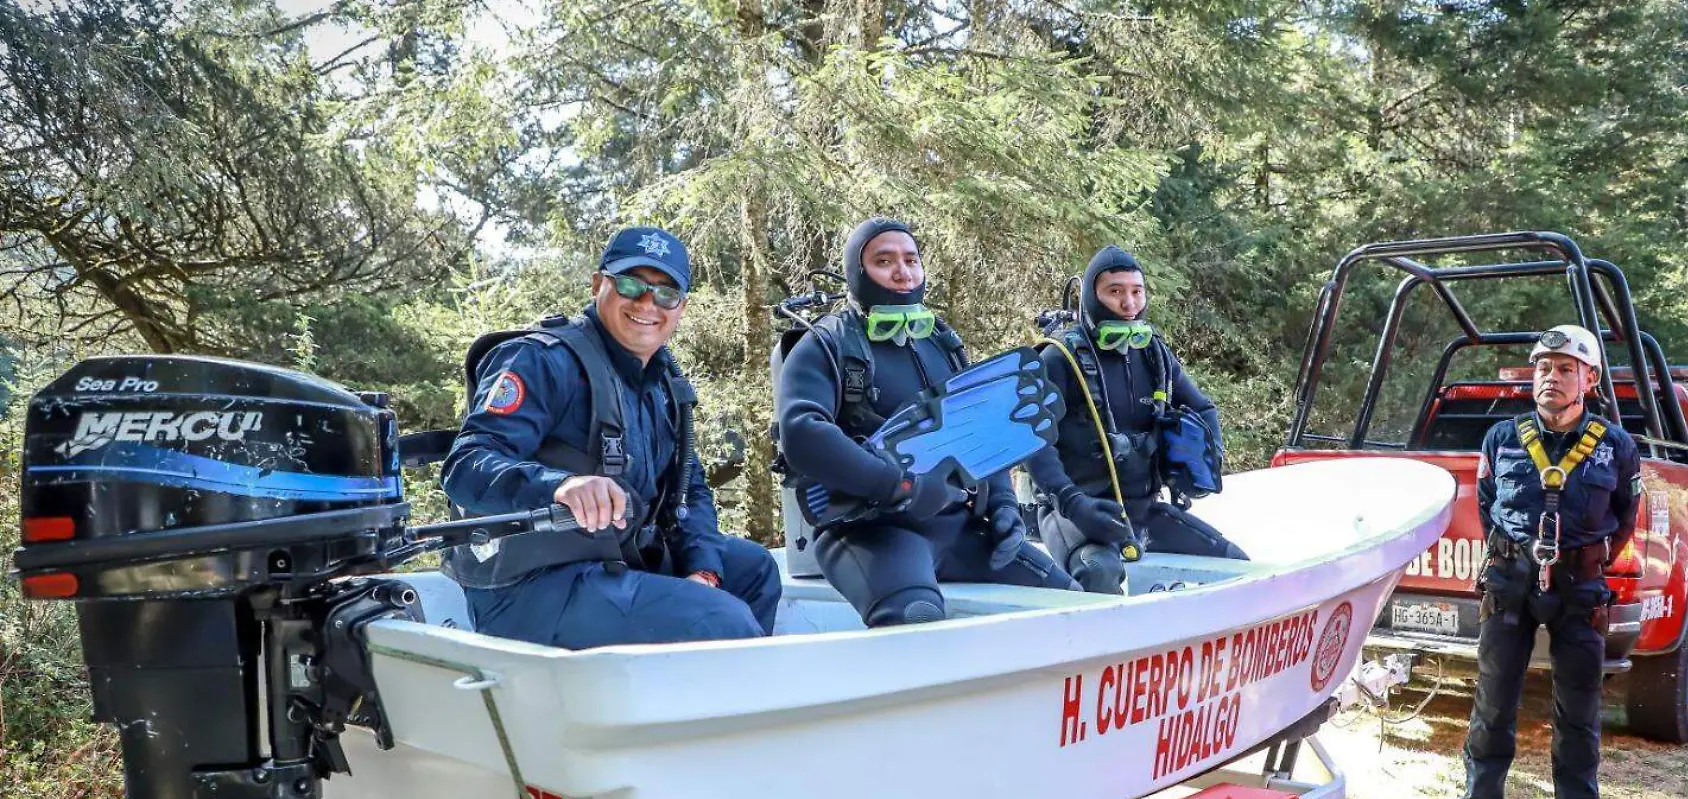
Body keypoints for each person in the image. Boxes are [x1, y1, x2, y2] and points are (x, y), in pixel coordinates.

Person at [440, 225, 781, 648]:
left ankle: (692, 703)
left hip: (616, 563)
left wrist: (704, 570)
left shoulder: (663, 386)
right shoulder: (541, 360)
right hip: (531, 586)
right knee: (719, 620)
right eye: (631, 284)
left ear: (680, 307)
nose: (647, 303)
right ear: (600, 283)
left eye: (665, 293)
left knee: (755, 569)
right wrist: (560, 486)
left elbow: (689, 490)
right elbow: (466, 465)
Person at [775, 216, 1078, 627]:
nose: (902, 272)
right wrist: (899, 485)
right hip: (871, 533)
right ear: (857, 272)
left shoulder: (941, 342)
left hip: (957, 527)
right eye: (884, 261)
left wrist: (1004, 504)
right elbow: (802, 433)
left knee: (1074, 604)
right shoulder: (826, 344)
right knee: (915, 618)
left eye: (911, 259)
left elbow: (988, 428)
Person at [1445, 325, 1640, 799]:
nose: (1550, 377)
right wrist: (1514, 553)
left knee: (1578, 708)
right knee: (1493, 699)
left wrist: (1583, 556)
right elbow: (1488, 503)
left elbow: (1624, 517)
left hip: (1580, 586)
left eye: (1564, 369)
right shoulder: (1502, 437)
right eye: (1543, 368)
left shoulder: (1615, 446)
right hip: (1511, 580)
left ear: (1590, 380)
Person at [1025, 245, 1246, 594]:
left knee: (1233, 563)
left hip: (1141, 510)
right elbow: (1033, 441)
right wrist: (1070, 501)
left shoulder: (1153, 354)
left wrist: (1205, 460)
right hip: (1074, 514)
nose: (1129, 304)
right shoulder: (1059, 358)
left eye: (1136, 291)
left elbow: (1203, 409)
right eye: (1115, 292)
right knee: (1099, 571)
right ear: (1091, 297)